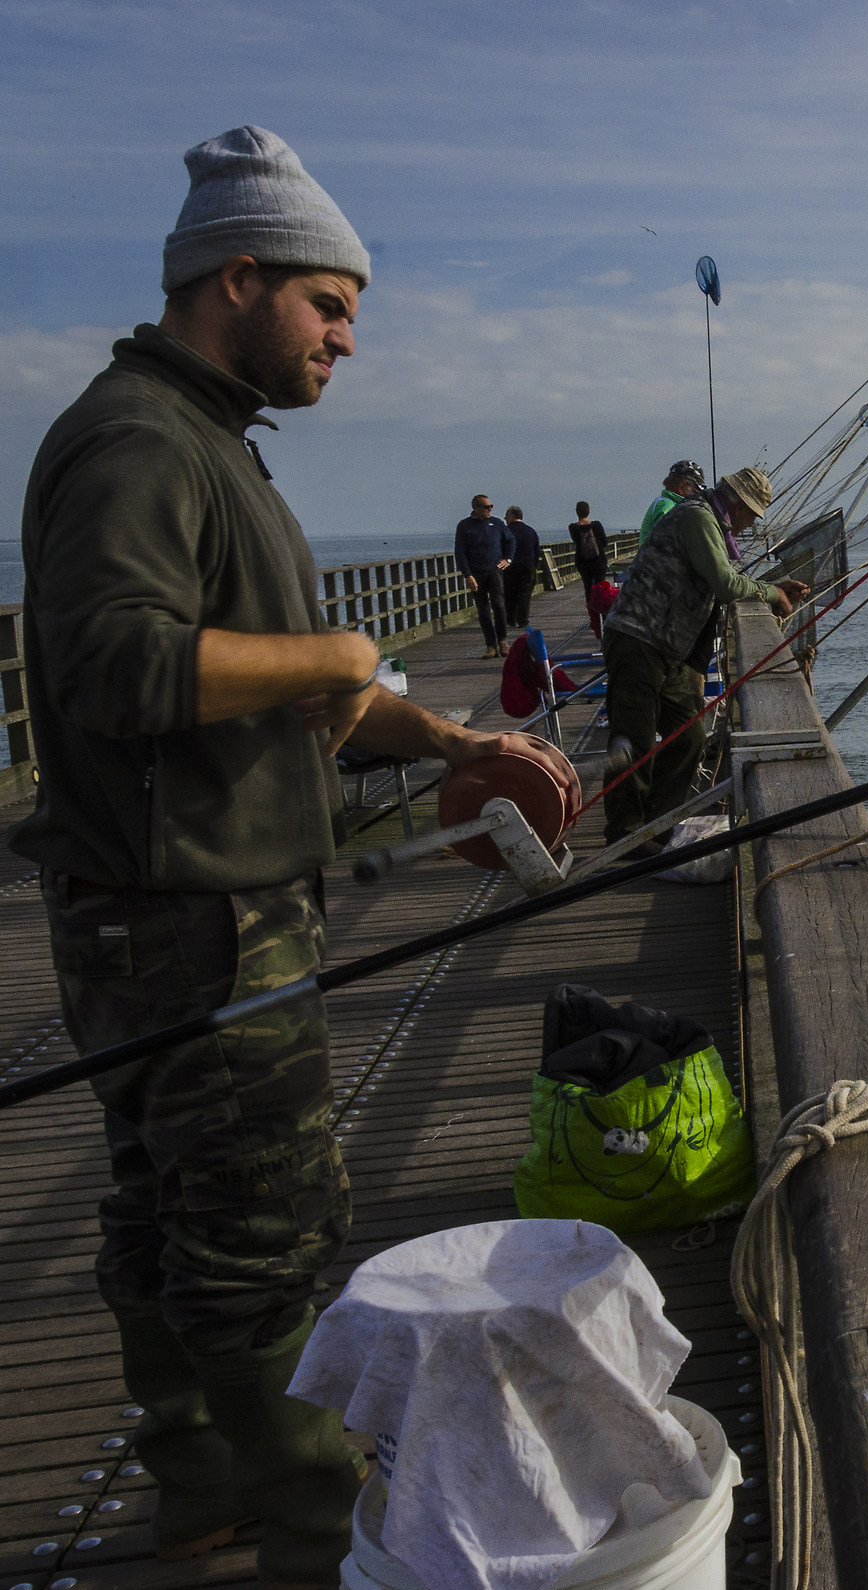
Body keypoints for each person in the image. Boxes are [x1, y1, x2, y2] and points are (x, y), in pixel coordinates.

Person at [10, 125, 576, 1590]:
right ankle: (325, 1537)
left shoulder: (204, 442)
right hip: (198, 916)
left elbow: (289, 681)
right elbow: (110, 667)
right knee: (265, 1236)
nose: (347, 340)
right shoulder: (141, 440)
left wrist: (444, 739)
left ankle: (199, 1486)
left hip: (178, 911)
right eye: (331, 306)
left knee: (161, 1215)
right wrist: (333, 647)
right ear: (236, 274)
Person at [603, 467, 806, 852]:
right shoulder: (698, 518)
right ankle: (625, 833)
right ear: (738, 504)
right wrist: (772, 592)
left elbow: (723, 576)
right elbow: (726, 583)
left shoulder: (712, 523)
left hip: (669, 647)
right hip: (637, 637)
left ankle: (658, 822)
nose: (748, 526)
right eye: (751, 515)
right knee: (635, 739)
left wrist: (772, 588)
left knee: (690, 735)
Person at [452, 494, 509, 657]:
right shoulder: (464, 526)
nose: (489, 509)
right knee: (483, 610)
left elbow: (510, 540)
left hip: (494, 571)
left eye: (491, 506)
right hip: (476, 573)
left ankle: (503, 641)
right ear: (475, 508)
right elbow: (460, 552)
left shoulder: (497, 523)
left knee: (498, 605)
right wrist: (467, 575)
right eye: (486, 507)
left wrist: (508, 559)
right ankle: (490, 645)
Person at [637, 459, 706, 544]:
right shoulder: (667, 506)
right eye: (694, 490)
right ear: (681, 487)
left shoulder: (668, 504)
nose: (696, 495)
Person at [502, 506, 541, 630]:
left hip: (510, 566)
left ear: (512, 516)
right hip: (528, 565)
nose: (505, 519)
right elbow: (537, 551)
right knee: (525, 594)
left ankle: (511, 620)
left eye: (506, 516)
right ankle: (523, 621)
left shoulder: (505, 531)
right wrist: (534, 565)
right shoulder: (531, 531)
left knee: (509, 593)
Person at [567, 501, 608, 591]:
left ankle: (590, 604)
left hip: (583, 561)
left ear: (577, 512)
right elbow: (604, 542)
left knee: (588, 587)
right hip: (599, 561)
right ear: (588, 511)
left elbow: (575, 540)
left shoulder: (573, 528)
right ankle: (599, 604)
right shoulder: (596, 525)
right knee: (600, 587)